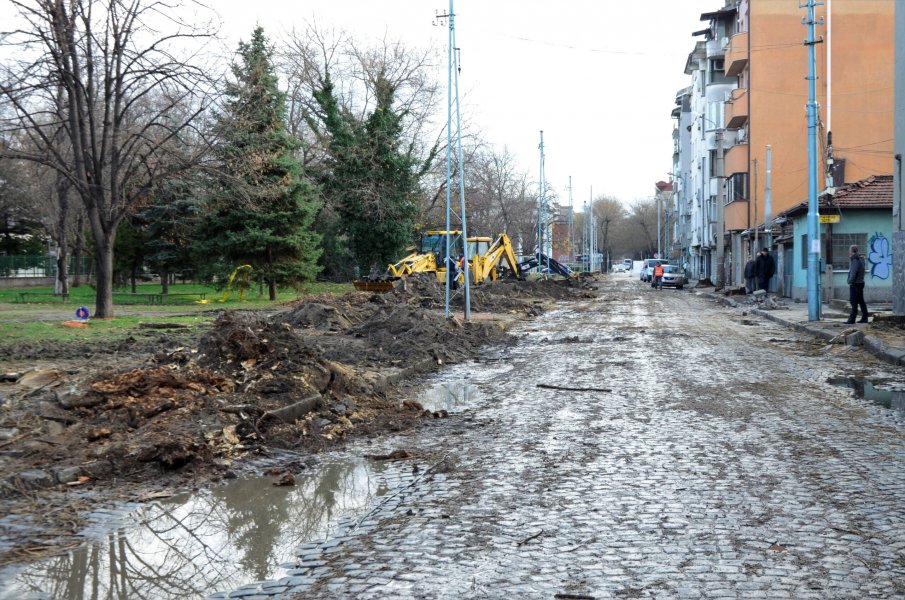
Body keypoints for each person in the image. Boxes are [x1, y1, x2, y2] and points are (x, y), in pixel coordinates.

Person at [846, 244, 868, 324]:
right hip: (860, 282)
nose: (849, 252)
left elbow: (853, 273)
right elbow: (863, 271)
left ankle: (852, 319)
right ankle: (865, 317)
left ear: (852, 251)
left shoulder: (855, 260)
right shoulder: (861, 259)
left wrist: (849, 281)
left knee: (853, 301)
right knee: (861, 301)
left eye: (849, 250)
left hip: (855, 284)